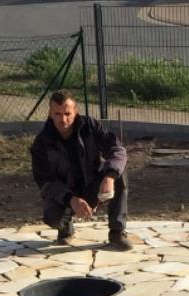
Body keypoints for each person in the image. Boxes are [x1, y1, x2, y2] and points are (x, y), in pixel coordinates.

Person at [30, 90, 131, 250]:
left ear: (76, 111)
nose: (63, 119)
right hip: (65, 194)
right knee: (53, 217)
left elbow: (117, 150)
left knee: (119, 172)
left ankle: (117, 232)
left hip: (92, 186)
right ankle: (65, 228)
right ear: (50, 113)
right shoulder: (41, 143)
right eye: (57, 114)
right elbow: (46, 183)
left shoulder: (90, 126)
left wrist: (109, 177)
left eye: (67, 113)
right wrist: (71, 200)